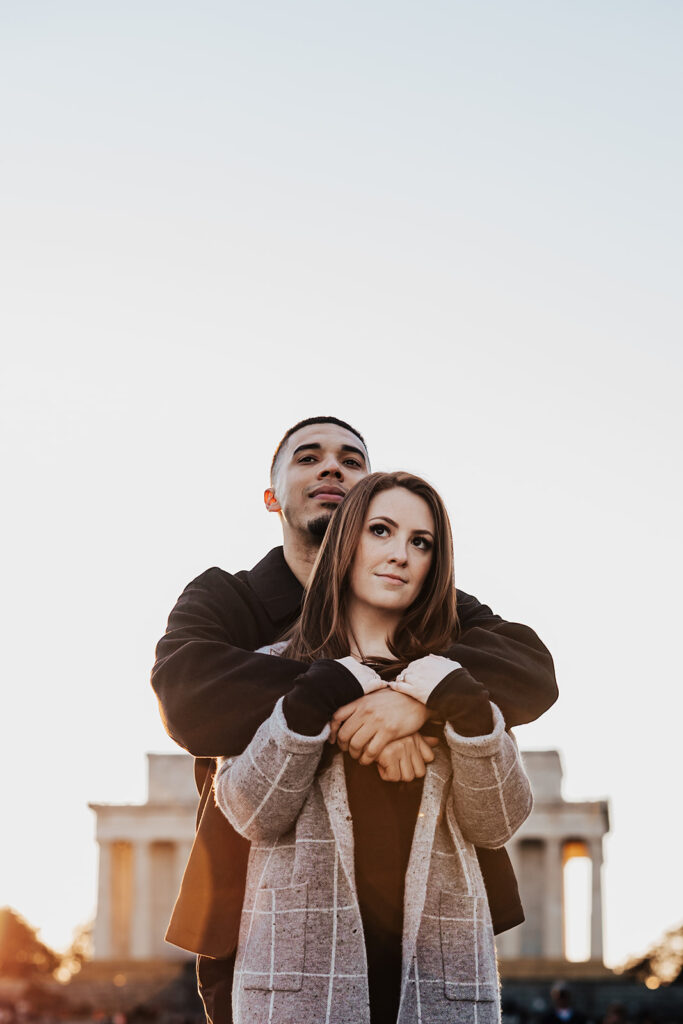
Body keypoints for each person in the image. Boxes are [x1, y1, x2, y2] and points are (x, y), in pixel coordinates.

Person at [151, 415, 557, 1024]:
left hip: (430, 923)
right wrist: (364, 694)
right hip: (260, 912)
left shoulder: (432, 602)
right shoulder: (226, 597)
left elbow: (527, 667)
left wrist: (416, 700)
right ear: (271, 496)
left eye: (351, 460)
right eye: (308, 458)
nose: (332, 468)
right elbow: (193, 700)